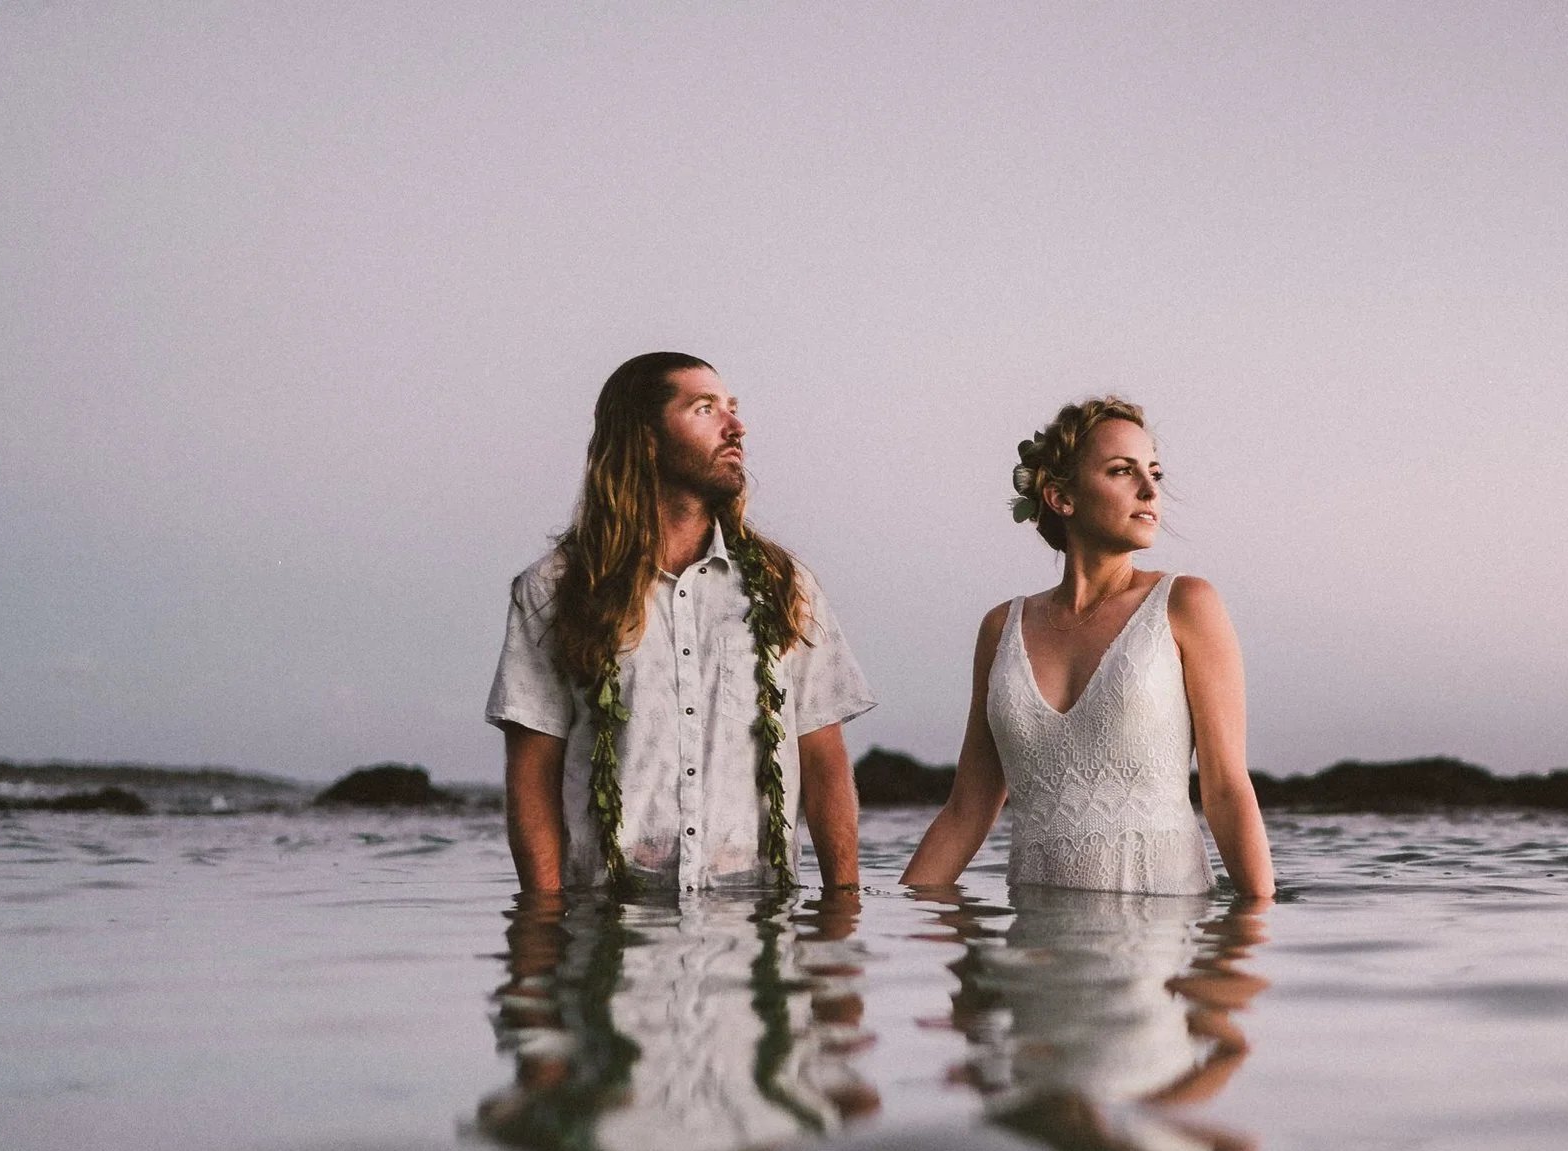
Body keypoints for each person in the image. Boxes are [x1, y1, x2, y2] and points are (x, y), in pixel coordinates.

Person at [485, 352, 873, 893]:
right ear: (644, 438)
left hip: (754, 923)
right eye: (705, 408)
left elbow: (823, 757)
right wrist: (541, 934)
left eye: (732, 409)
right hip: (608, 930)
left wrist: (841, 914)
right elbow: (533, 775)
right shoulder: (555, 588)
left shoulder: (784, 585)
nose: (736, 427)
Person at [900, 397, 1274, 897]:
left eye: (1154, 473)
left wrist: (1253, 928)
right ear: (1060, 498)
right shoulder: (1002, 628)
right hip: (1030, 953)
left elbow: (1226, 790)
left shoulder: (1185, 604)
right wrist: (889, 920)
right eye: (1122, 471)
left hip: (1159, 938)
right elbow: (968, 809)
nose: (1149, 490)